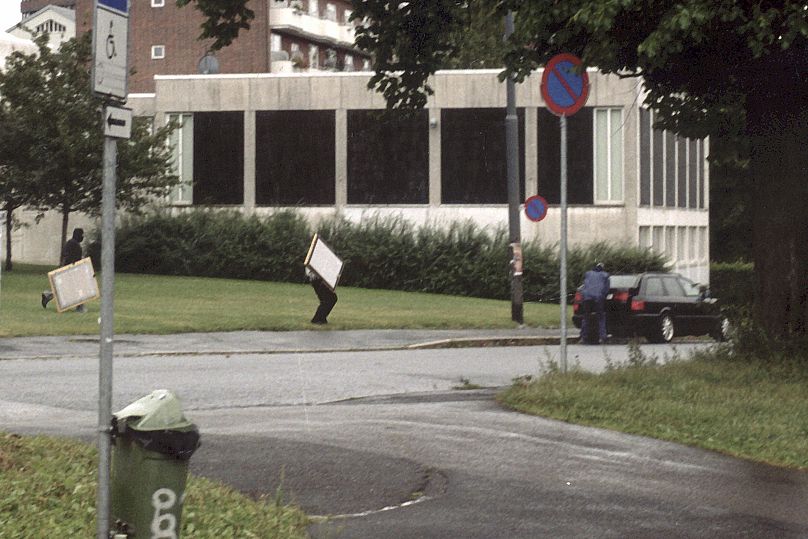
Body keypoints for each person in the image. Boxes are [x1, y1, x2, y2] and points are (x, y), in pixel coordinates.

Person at [42, 228, 86, 311]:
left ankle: (48, 295)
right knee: (78, 288)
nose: (82, 237)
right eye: (81, 234)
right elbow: (74, 258)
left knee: (65, 288)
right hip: (71, 270)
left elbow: (65, 255)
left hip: (68, 269)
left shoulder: (70, 243)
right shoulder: (75, 244)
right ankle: (80, 307)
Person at [580, 262, 610, 344]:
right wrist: (604, 296)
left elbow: (585, 285)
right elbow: (606, 289)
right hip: (598, 298)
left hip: (587, 298)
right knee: (601, 317)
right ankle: (602, 337)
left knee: (586, 317)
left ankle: (583, 337)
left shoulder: (588, 274)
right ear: (602, 268)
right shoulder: (605, 275)